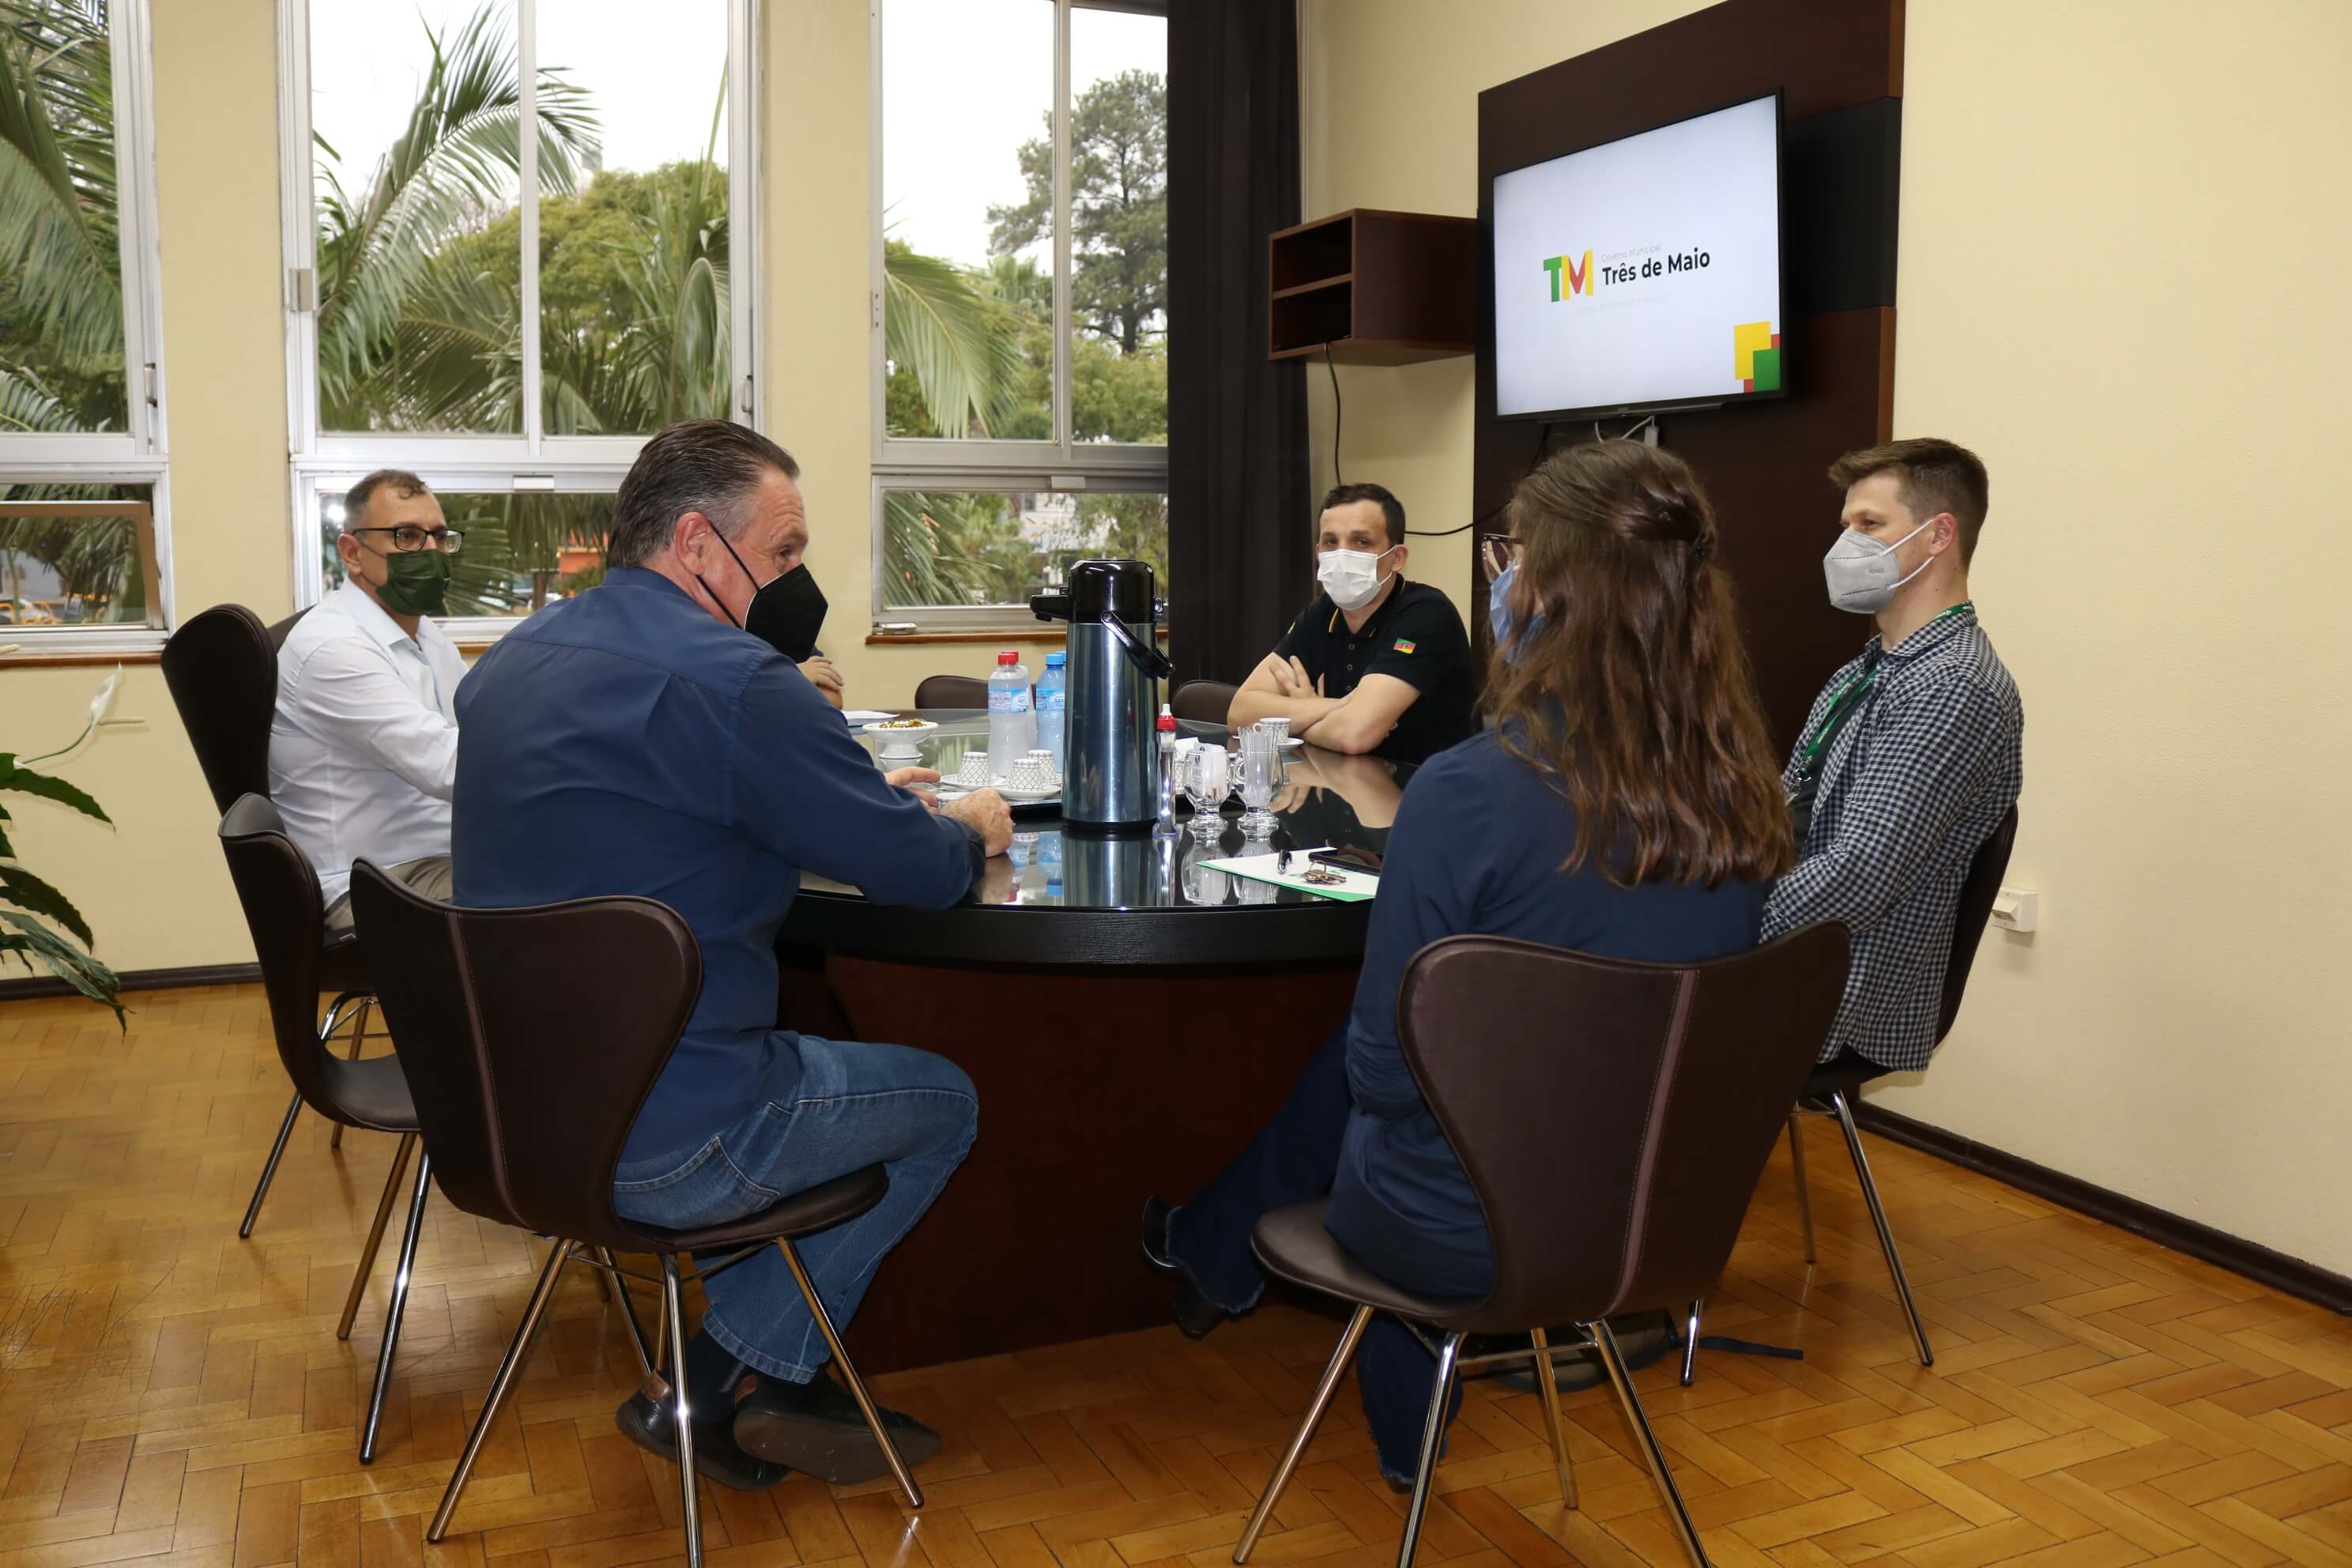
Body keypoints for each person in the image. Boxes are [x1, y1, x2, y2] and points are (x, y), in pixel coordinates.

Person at [1144, 440, 1796, 1488]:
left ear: (1551, 589)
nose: (1499, 578)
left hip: (1467, 1232)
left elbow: (1385, 1076)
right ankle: (1217, 1259)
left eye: (1512, 555)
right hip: (1665, 1220)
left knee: (1383, 1088)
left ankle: (1399, 1438)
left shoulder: (1470, 792)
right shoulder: (1743, 789)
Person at [450, 420, 1013, 1493]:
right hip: (670, 1139)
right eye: (788, 552)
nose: (798, 581)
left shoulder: (514, 659)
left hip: (512, 1114)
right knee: (944, 1100)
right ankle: (719, 1380)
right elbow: (917, 873)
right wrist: (973, 823)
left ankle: (767, 1366)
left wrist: (829, 803)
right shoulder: (744, 682)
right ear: (702, 546)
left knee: (784, 1049)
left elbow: (643, 813)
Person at [1764, 439, 2024, 1069]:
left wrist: (1723, 923)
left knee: (1607, 994)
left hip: (1843, 989)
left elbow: (1859, 876)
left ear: (1939, 537)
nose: (1843, 546)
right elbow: (1782, 808)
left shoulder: (1952, 687)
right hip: (1801, 955)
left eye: (1869, 525)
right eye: (1845, 525)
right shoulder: (1869, 670)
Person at [271, 469, 465, 929]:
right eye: (408, 536)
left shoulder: (430, 638)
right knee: (561, 885)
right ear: (352, 553)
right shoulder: (333, 647)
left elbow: (483, 733)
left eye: (439, 537)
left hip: (440, 857)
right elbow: (450, 767)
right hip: (375, 883)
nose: (431, 552)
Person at [1228, 483, 1475, 763]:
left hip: (1427, 795)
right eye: (1332, 542)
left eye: (1361, 542)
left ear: (1397, 558)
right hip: (1343, 788)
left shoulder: (1427, 613)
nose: (1342, 555)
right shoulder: (1323, 612)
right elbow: (1240, 714)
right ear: (1319, 552)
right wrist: (1334, 707)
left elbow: (1353, 735)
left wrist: (1298, 716)